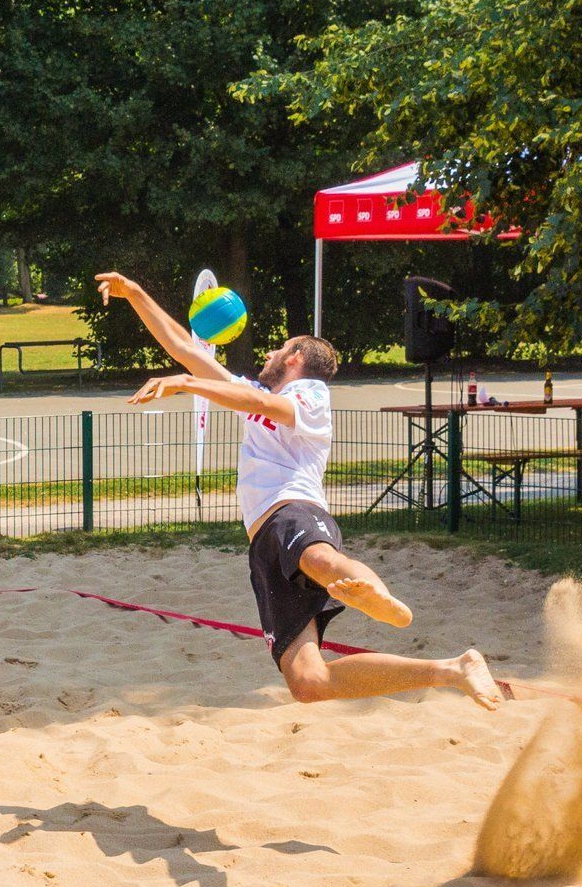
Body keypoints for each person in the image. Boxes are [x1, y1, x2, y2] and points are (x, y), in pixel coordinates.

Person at [96, 271, 500, 711]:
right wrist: (134, 292)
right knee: (309, 683)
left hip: (293, 510)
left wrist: (186, 383)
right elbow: (185, 349)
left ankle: (378, 596)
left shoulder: (311, 393)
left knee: (319, 559)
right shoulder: (252, 393)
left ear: (296, 358)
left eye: (280, 348)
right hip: (262, 544)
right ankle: (452, 669)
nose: (269, 353)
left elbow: (262, 403)